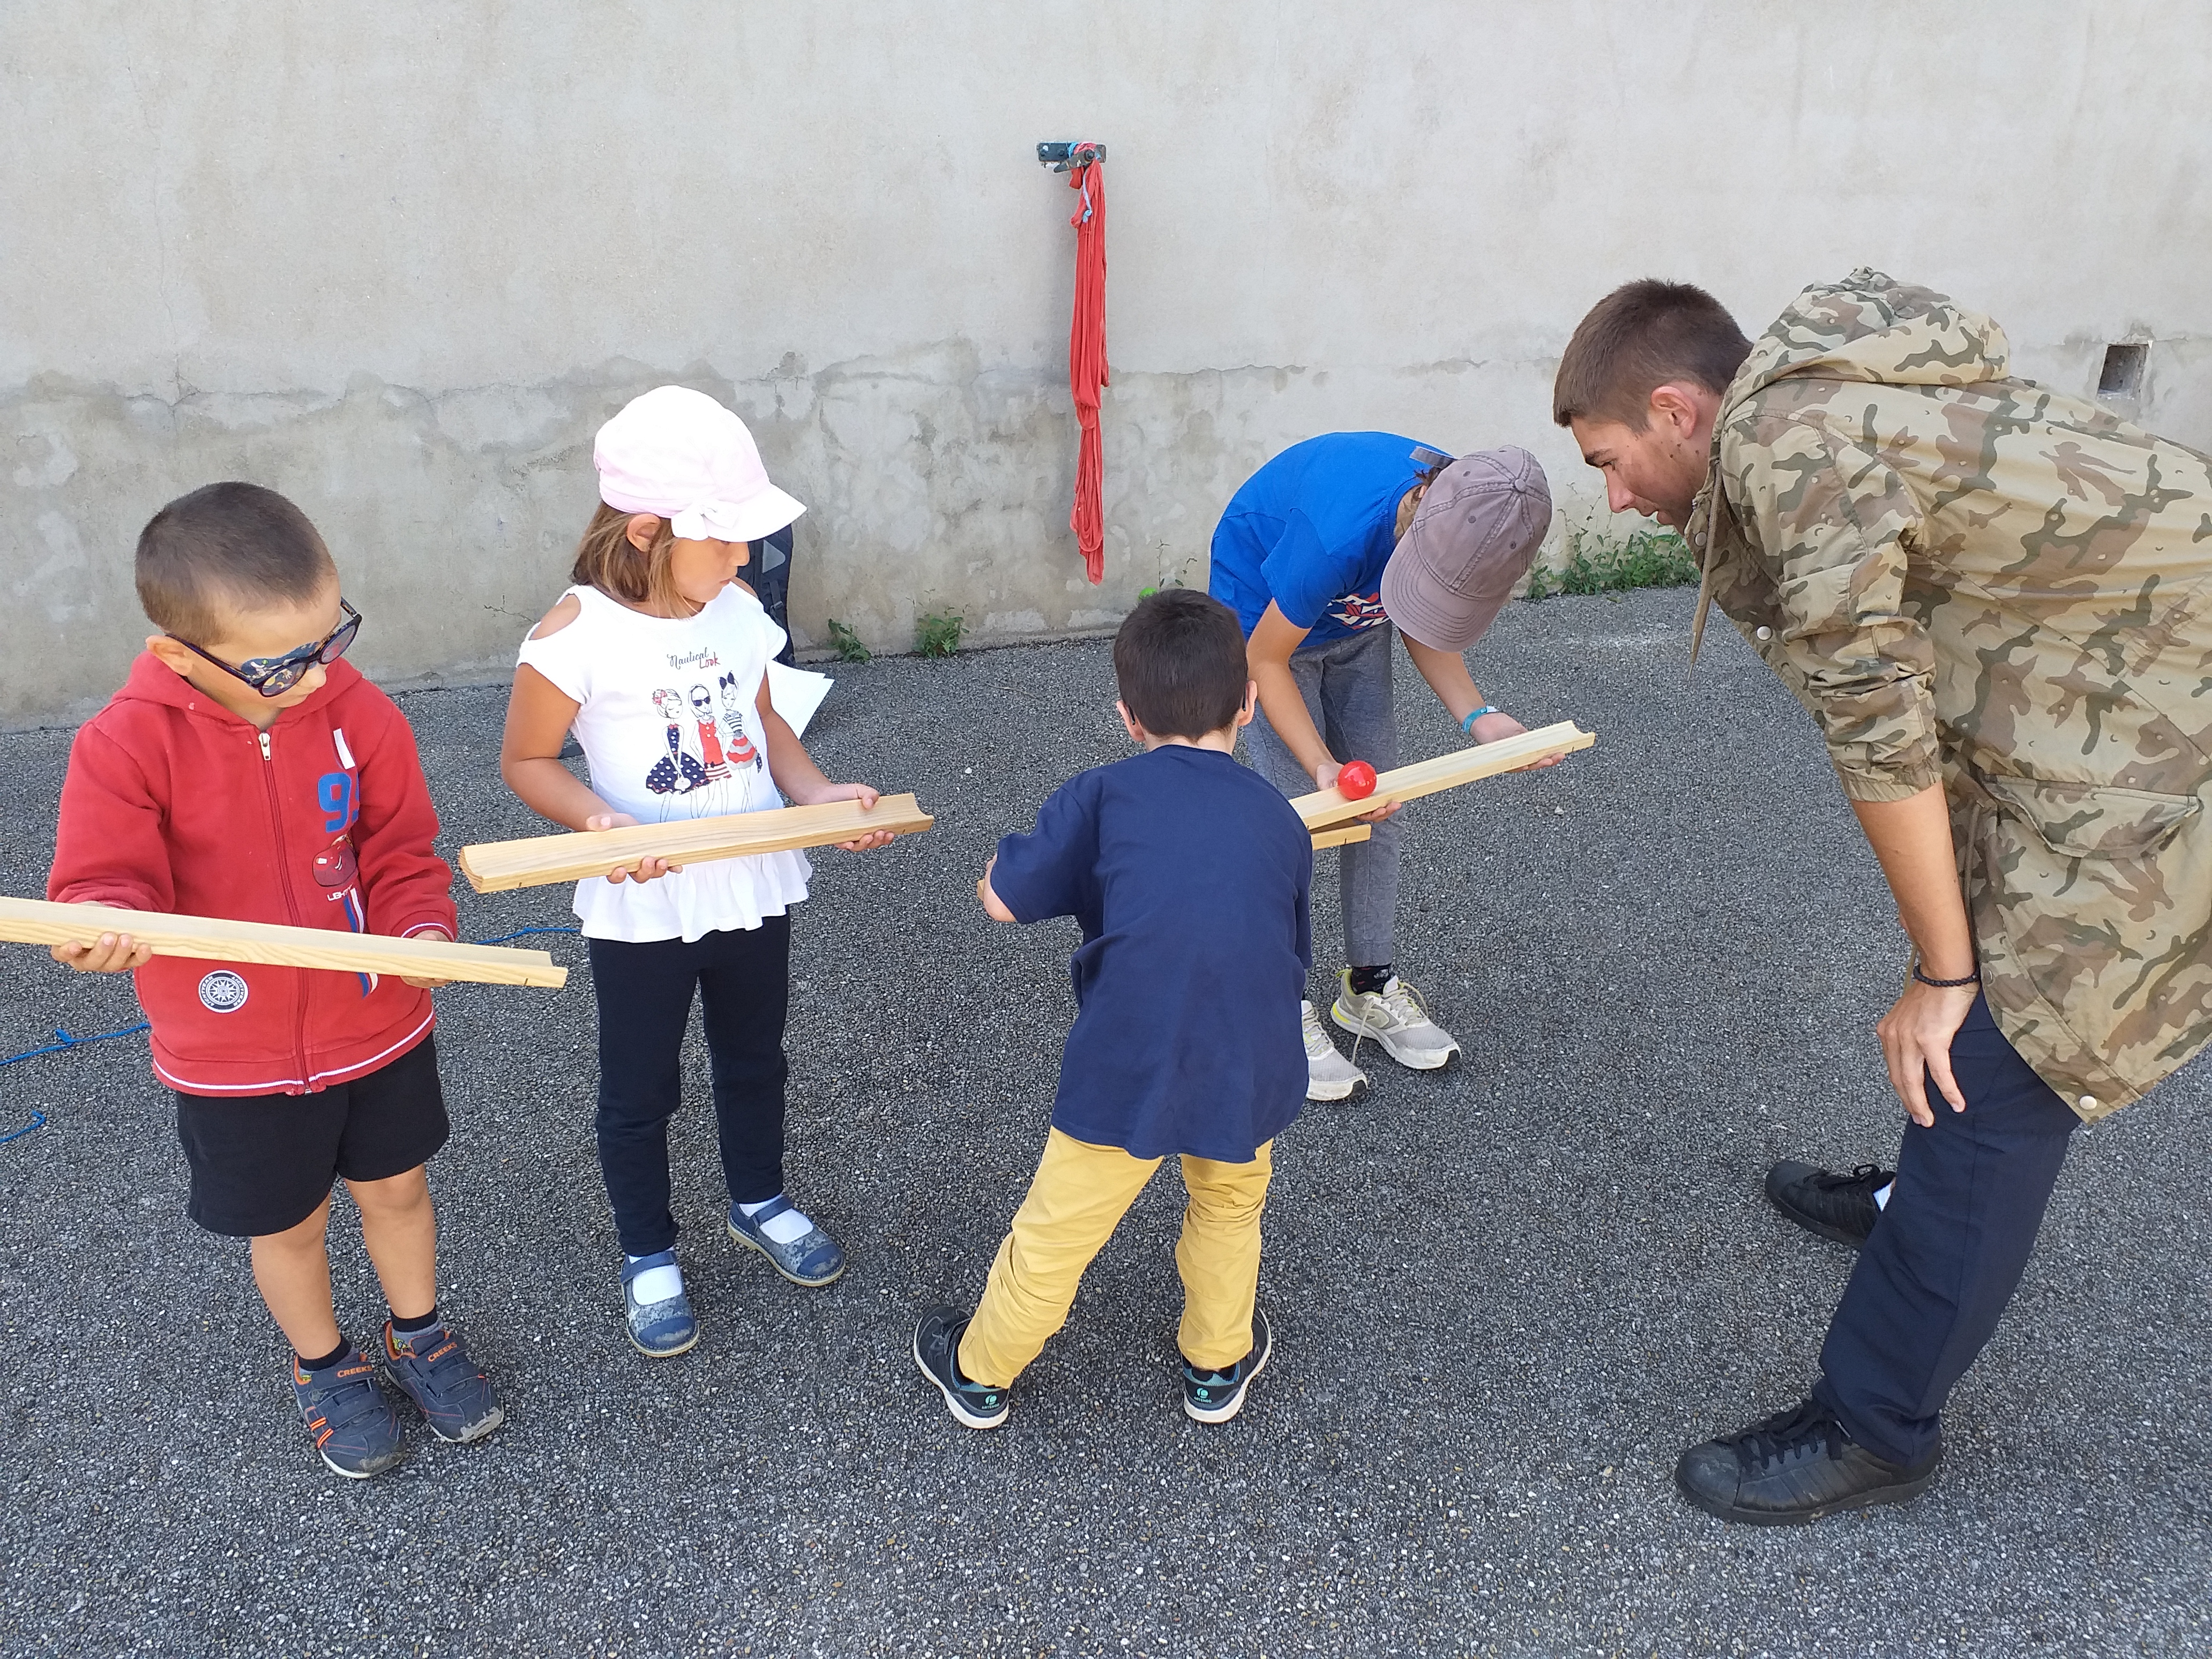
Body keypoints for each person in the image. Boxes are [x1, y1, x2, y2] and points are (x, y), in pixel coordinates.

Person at [1555, 269, 2212, 1523]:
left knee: (1994, 1058)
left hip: (2165, 742)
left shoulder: (1792, 444)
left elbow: (1873, 715)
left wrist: (1945, 974)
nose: (1612, 493)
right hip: (2106, 707)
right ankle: (1913, 1206)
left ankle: (1872, 1419)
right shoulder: (1823, 402)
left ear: (1675, 409)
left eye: (1608, 458)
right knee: (1964, 968)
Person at [47, 482, 502, 1478]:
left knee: (399, 1190)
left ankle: (417, 1334)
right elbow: (100, 879)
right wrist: (104, 924)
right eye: (276, 663)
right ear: (178, 654)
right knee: (289, 1226)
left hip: (375, 1024)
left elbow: (402, 851)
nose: (310, 679)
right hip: (232, 1052)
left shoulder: (358, 712)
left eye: (326, 641)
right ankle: (323, 1366)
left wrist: (420, 927)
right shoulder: (124, 743)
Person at [498, 386, 898, 1358]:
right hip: (645, 898)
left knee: (755, 1054)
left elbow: (765, 727)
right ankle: (648, 1250)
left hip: (751, 875)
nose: (744, 558)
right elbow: (526, 761)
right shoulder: (572, 635)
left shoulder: (738, 606)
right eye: (722, 541)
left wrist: (814, 795)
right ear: (645, 531)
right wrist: (598, 819)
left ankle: (756, 1197)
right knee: (640, 1086)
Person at [913, 589, 1311, 1428]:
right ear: (1246, 703)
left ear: (1128, 717)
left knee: (1059, 1229)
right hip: (1251, 1054)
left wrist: (998, 869)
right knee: (1230, 1204)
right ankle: (1217, 1360)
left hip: (1130, 1055)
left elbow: (1003, 902)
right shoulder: (1280, 816)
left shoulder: (1100, 797)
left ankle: (981, 1372)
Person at [1208, 434, 1555, 1101]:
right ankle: (1276, 1008)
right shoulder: (1336, 535)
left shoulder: (1474, 508)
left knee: (1379, 810)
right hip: (1266, 627)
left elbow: (1427, 610)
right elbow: (1267, 661)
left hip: (1356, 625)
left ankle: (1367, 989)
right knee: (1298, 828)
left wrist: (1478, 719)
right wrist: (1320, 765)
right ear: (1416, 510)